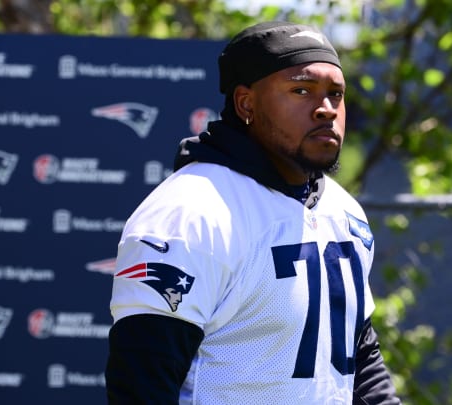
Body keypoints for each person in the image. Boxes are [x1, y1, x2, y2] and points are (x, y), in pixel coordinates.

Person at [105, 21, 401, 405]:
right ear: (246, 103)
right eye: (302, 90)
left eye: (336, 94)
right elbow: (142, 383)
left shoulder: (344, 210)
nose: (326, 110)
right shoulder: (190, 211)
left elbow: (360, 359)